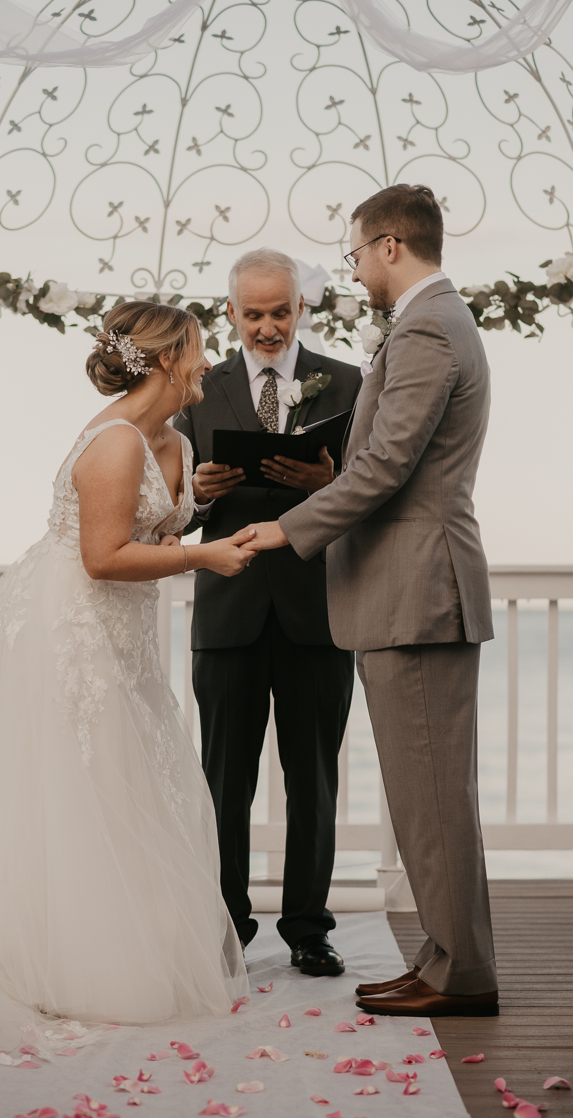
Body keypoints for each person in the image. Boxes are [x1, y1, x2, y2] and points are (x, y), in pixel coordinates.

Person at [0, 301, 253, 1073]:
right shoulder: (116, 442)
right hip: (73, 625)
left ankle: (105, 945)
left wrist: (200, 508)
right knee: (73, 785)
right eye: (198, 348)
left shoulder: (172, 437)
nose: (207, 360)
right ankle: (36, 960)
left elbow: (156, 529)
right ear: (166, 359)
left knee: (123, 786)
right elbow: (102, 556)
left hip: (122, 635)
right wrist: (207, 557)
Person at [242, 187, 499, 1017]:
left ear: (390, 246)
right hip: (413, 589)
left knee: (431, 797)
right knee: (427, 795)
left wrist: (287, 529)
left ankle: (458, 973)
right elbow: (392, 462)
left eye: (354, 254)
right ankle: (442, 955)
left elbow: (387, 465)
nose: (352, 269)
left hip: (415, 591)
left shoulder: (426, 325)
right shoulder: (438, 321)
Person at [175, 248, 361, 976]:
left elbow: (372, 493)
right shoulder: (197, 389)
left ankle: (310, 930)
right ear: (231, 314)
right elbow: (178, 518)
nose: (268, 326)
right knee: (225, 779)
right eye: (253, 314)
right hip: (228, 610)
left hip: (318, 608)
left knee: (314, 777)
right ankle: (227, 928)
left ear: (300, 309)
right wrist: (203, 491)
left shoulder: (347, 382)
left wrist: (330, 476)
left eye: (280, 311)